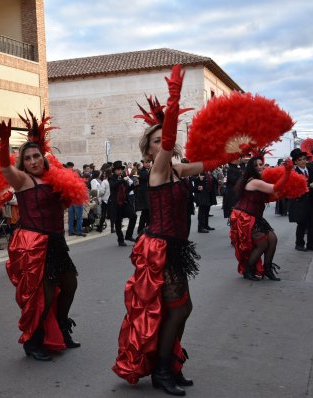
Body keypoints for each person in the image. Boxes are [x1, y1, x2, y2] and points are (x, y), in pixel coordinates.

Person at [113, 65, 234, 395]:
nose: (162, 144)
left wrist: (243, 147)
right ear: (149, 150)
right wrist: (174, 101)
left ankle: (169, 363)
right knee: (178, 308)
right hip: (159, 249)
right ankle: (162, 370)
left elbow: (212, 162)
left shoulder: (178, 169)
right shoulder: (157, 170)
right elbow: (169, 140)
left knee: (182, 307)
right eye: (154, 141)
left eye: (161, 139)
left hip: (174, 247)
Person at [0, 116, 83, 361]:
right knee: (42, 296)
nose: (33, 161)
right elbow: (4, 167)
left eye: (36, 156)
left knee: (69, 285)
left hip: (56, 242)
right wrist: (4, 142)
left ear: (43, 157)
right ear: (22, 163)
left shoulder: (53, 179)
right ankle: (33, 342)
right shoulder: (23, 180)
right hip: (35, 245)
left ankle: (62, 327)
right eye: (28, 158)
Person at [230, 157, 291, 281]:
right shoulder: (254, 182)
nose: (259, 167)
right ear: (251, 168)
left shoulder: (259, 180)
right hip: (245, 216)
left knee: (273, 239)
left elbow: (268, 196)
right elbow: (274, 188)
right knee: (262, 244)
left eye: (261, 164)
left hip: (255, 216)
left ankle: (267, 269)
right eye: (256, 165)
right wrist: (288, 171)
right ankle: (248, 269)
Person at [288, 148, 313, 252]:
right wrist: (309, 186)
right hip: (300, 201)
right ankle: (299, 244)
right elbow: (295, 188)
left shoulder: (310, 169)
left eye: (304, 159)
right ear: (295, 162)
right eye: (300, 160)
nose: (303, 161)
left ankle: (311, 244)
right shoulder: (294, 173)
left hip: (311, 201)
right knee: (302, 223)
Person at [109, 161, 136, 246]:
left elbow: (127, 190)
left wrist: (134, 185)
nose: (120, 171)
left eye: (121, 169)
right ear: (114, 171)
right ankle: (120, 240)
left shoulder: (123, 178)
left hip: (124, 202)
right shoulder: (111, 178)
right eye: (118, 170)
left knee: (134, 216)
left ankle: (128, 235)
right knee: (118, 222)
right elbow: (113, 186)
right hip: (116, 204)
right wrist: (121, 180)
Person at [135, 159, 151, 235]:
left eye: (149, 162)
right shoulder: (142, 171)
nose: (148, 164)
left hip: (147, 194)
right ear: (143, 163)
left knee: (148, 212)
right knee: (145, 213)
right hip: (144, 195)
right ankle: (141, 229)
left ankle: (148, 227)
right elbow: (147, 177)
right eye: (146, 162)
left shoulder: (148, 170)